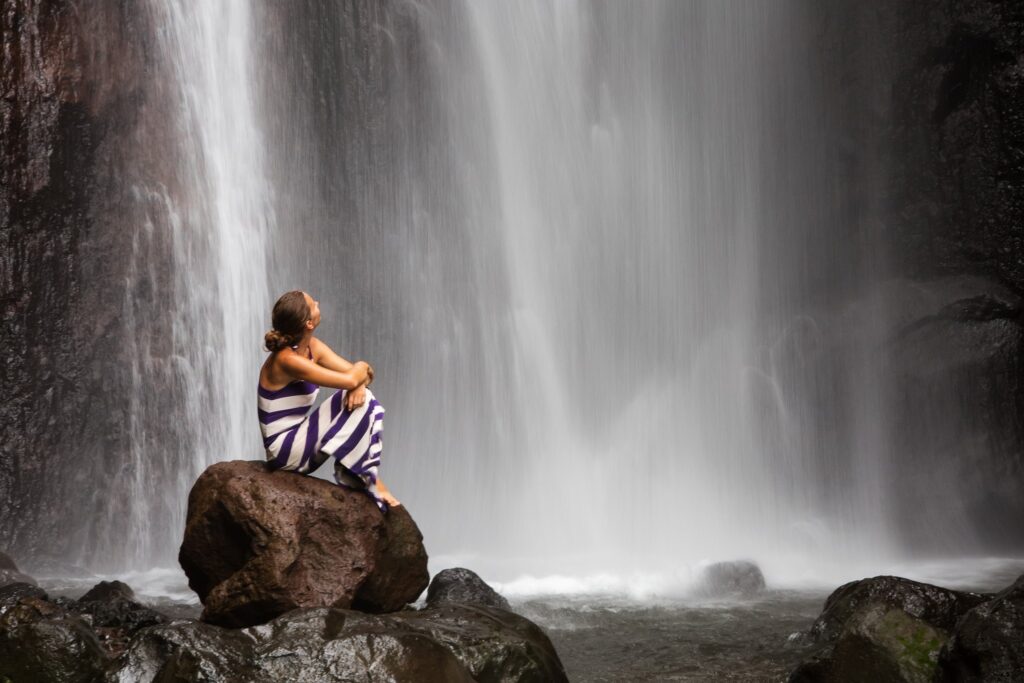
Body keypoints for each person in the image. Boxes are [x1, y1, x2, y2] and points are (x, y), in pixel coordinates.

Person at [257, 290, 400, 511]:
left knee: (361, 396)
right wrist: (360, 370)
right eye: (313, 304)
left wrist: (357, 383)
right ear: (308, 324)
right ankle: (366, 477)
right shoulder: (287, 361)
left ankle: (355, 470)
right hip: (284, 451)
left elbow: (359, 378)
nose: (317, 302)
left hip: (299, 436)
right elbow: (354, 375)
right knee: (358, 398)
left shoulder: (313, 348)